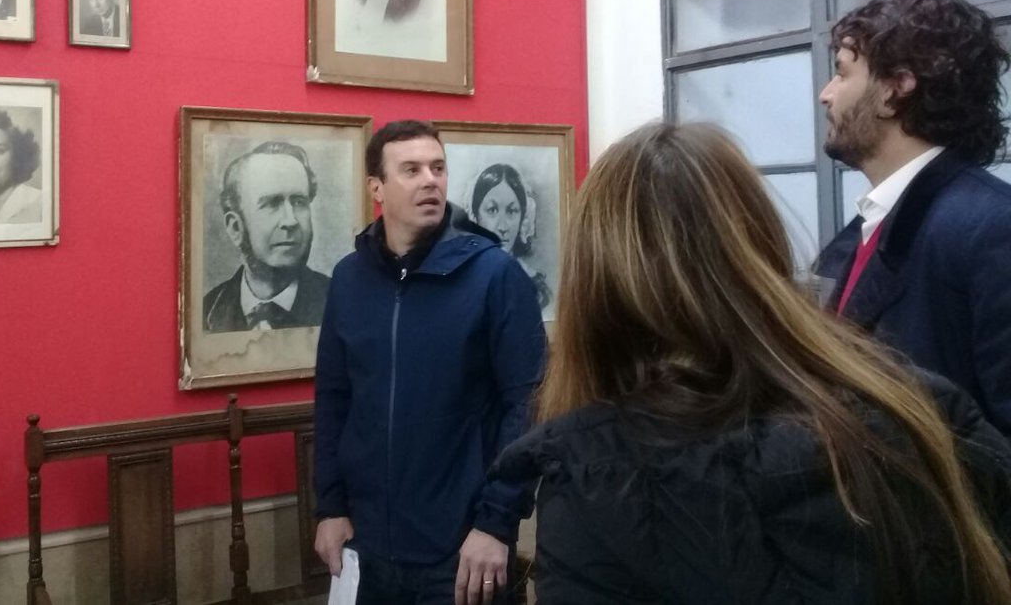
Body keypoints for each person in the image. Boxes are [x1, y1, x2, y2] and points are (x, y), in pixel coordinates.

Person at [492, 122, 1011, 605]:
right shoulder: (920, 407)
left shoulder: (594, 481)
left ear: (595, 284)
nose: (826, 93)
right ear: (759, 241)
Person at [314, 120, 546, 605]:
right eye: (412, 170)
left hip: (463, 549)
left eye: (437, 168)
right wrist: (330, 507)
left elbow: (529, 405)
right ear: (377, 188)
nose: (430, 180)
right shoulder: (350, 279)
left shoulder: (495, 275)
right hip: (367, 543)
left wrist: (496, 523)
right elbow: (334, 400)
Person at [814, 0, 1011, 435]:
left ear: (894, 90)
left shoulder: (993, 229)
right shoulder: (874, 224)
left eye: (842, 73)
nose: (826, 94)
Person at [203, 141, 330, 332]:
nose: (291, 221)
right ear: (235, 227)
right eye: (272, 204)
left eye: (299, 202)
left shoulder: (342, 302)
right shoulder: (205, 312)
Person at [468, 163, 551, 312]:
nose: (503, 226)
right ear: (475, 216)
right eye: (492, 210)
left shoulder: (534, 286)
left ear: (522, 218)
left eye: (511, 211)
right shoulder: (461, 283)